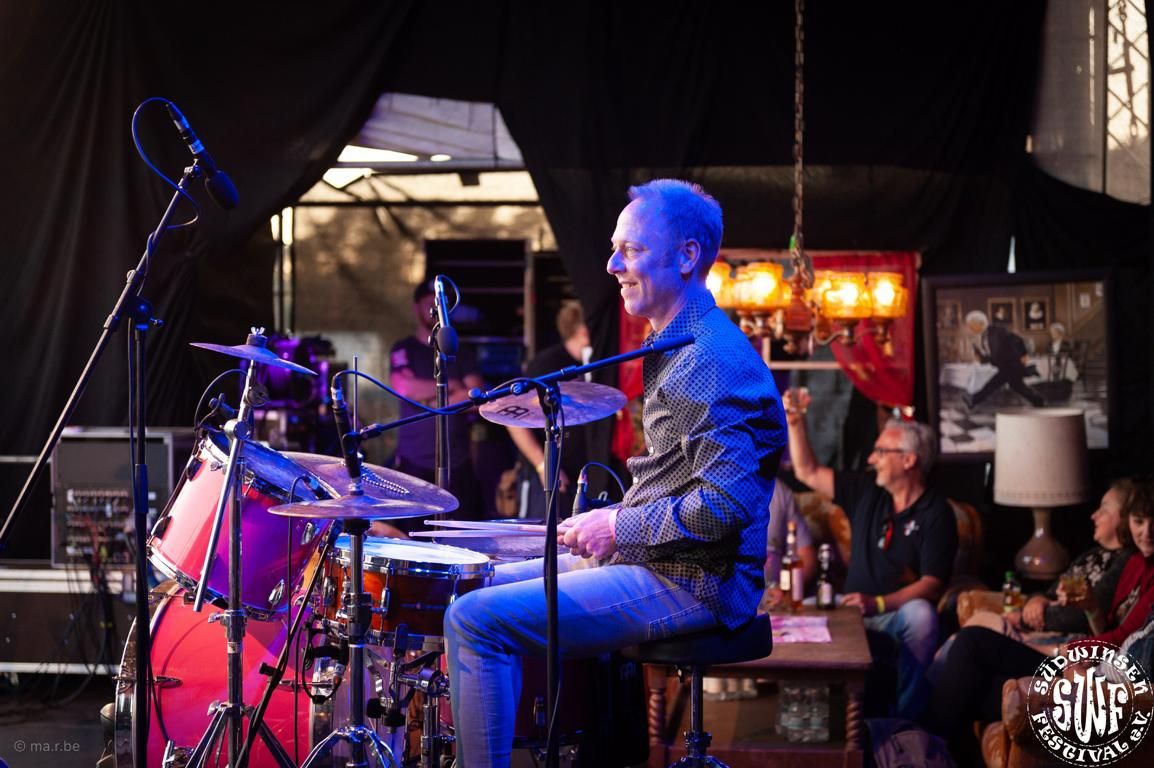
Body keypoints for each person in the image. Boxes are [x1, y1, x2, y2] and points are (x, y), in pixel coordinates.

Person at [442, 179, 786, 767]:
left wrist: (619, 527)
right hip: (664, 560)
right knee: (475, 585)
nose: (612, 265)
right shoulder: (681, 344)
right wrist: (614, 520)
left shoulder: (709, 358)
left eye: (631, 250)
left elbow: (726, 505)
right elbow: (687, 480)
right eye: (613, 248)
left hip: (697, 579)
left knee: (473, 620)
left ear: (687, 256)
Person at [924, 476, 1154, 765]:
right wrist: (1089, 608)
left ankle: (925, 744)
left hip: (1094, 676)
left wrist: (1066, 650)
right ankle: (931, 747)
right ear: (1129, 520)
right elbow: (1106, 626)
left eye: (1152, 523)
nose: (1146, 532)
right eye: (1139, 521)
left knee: (973, 643)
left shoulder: (1129, 561)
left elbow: (1120, 638)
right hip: (1085, 660)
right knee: (979, 682)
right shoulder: (1136, 563)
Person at [784, 387, 957, 720]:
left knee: (922, 615)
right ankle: (808, 719)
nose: (871, 459)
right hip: (848, 610)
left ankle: (905, 722)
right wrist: (795, 423)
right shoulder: (867, 490)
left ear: (908, 460)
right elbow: (807, 471)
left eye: (881, 452)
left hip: (894, 615)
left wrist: (878, 604)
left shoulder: (937, 512)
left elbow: (933, 584)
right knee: (793, 615)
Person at [389, 279, 486, 521]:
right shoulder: (404, 348)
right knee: (412, 533)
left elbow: (476, 395)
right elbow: (405, 387)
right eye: (428, 304)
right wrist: (452, 386)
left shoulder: (458, 350)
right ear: (416, 307)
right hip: (413, 462)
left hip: (457, 462)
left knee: (458, 529)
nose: (433, 309)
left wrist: (434, 403)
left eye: (439, 304)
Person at [505, 301, 592, 518]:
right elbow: (512, 418)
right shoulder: (546, 364)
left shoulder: (592, 365)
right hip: (545, 477)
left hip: (579, 476)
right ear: (583, 331)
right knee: (539, 535)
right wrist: (543, 465)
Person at [961, 310, 1044, 409]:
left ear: (980, 323)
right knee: (1017, 386)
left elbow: (1018, 340)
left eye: (971, 325)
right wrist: (981, 358)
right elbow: (993, 355)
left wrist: (1024, 354)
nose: (970, 328)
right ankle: (1038, 400)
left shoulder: (998, 331)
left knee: (993, 384)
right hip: (1004, 366)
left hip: (1011, 365)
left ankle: (973, 400)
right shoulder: (984, 336)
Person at [762, 482, 819, 609]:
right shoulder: (718, 490)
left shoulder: (779, 490)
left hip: (775, 604)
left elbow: (806, 557)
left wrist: (787, 591)